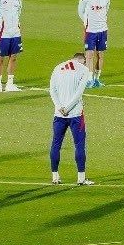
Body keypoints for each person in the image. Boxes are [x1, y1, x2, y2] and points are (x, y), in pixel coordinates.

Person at [49, 51, 94, 186]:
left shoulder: (58, 67)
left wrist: (60, 107)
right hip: (75, 114)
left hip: (59, 114)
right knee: (79, 145)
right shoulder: (84, 70)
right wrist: (68, 108)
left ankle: (55, 177)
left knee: (56, 144)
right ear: (83, 60)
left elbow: (52, 90)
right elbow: (79, 92)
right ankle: (81, 178)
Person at [77, 0, 112, 88]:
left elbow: (106, 10)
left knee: (100, 55)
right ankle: (89, 79)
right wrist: (85, 22)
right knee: (89, 55)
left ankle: (97, 79)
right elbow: (80, 11)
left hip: (102, 30)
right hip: (90, 30)